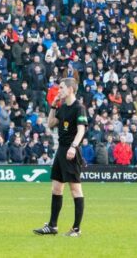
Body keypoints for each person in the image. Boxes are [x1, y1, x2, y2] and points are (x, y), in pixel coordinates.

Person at [33, 78, 86, 237]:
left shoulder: (79, 108)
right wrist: (53, 106)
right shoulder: (62, 107)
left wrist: (74, 146)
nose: (59, 91)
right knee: (56, 188)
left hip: (71, 151)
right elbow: (50, 124)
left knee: (75, 189)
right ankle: (52, 226)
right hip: (61, 151)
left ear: (70, 89)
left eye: (61, 88)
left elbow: (81, 130)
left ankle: (76, 229)